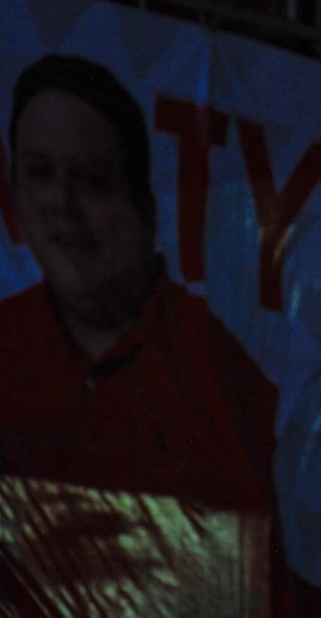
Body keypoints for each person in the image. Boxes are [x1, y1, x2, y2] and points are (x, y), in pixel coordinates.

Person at [0, 54, 293, 616]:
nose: (62, 206)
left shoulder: (220, 371)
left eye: (92, 181)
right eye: (39, 173)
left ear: (142, 206)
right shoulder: (7, 343)